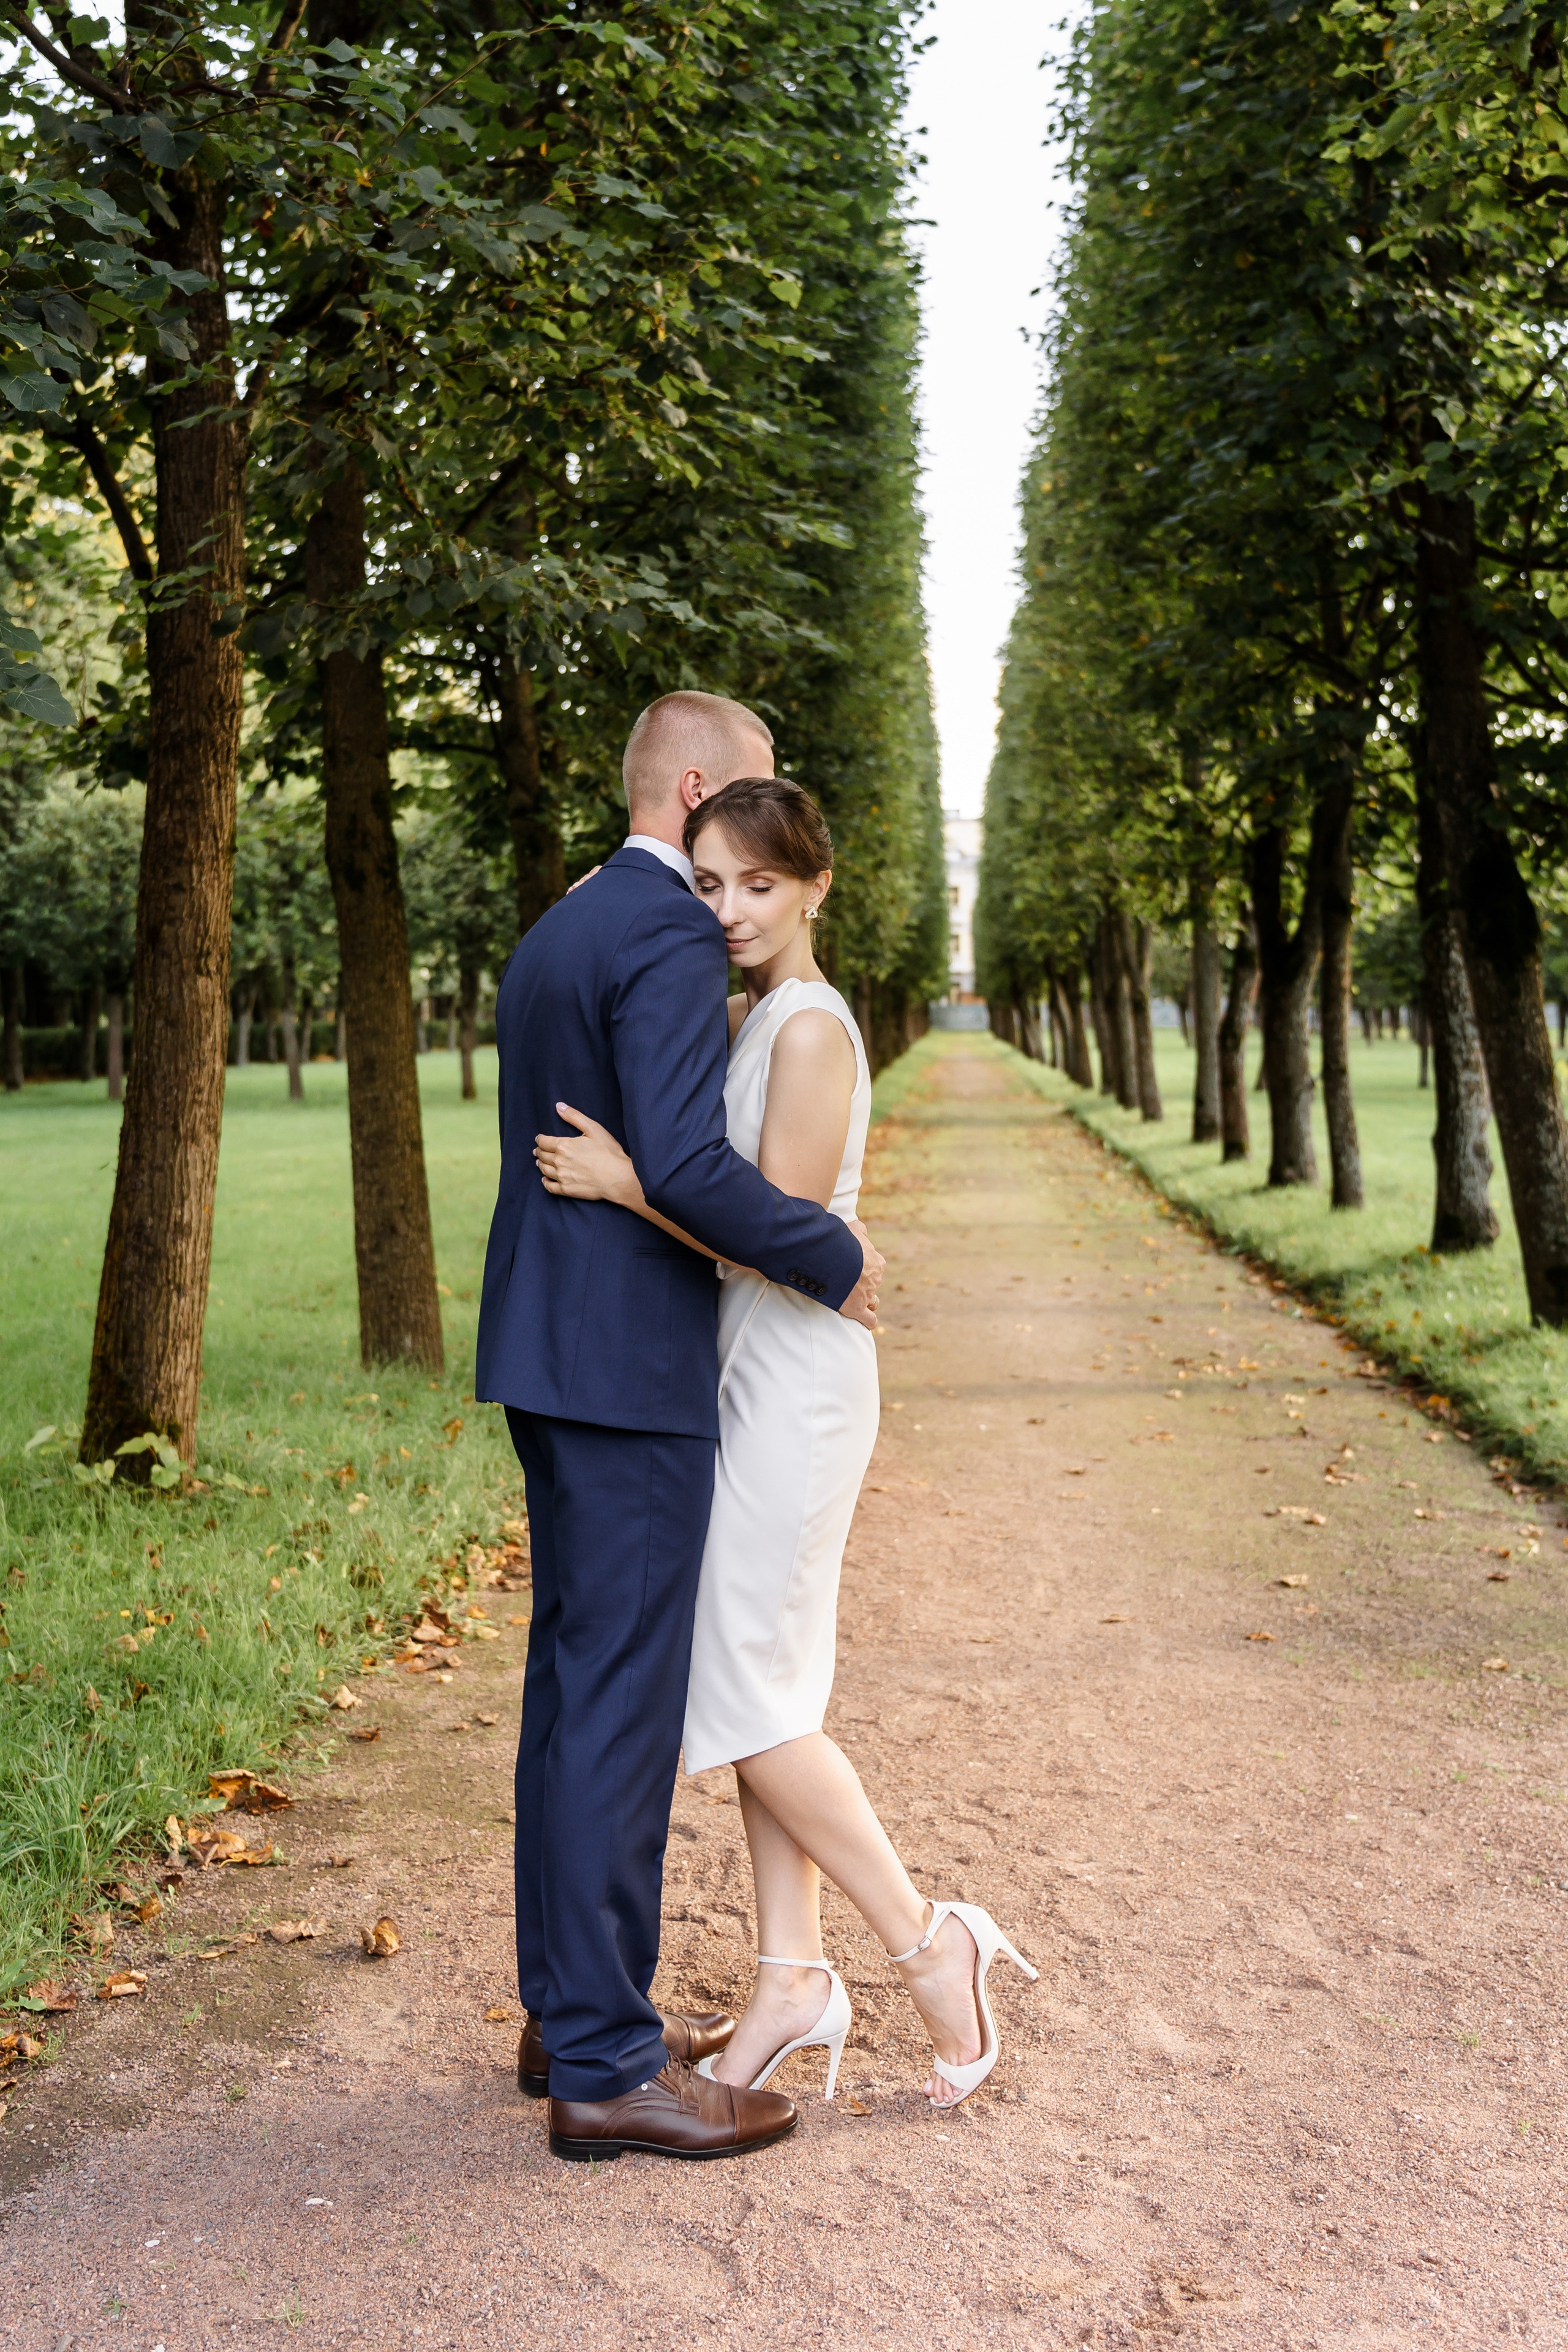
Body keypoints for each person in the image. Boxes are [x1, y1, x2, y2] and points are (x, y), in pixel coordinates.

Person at [535, 774, 1036, 2113]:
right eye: (709, 884)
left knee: (742, 1686)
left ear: (816, 887)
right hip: (746, 1371)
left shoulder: (808, 1029)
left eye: (760, 885)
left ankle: (928, 1942)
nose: (732, 910)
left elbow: (774, 1232)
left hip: (796, 1382)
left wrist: (628, 1185)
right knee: (769, 1689)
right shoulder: (750, 1015)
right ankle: (788, 1978)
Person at [475, 691, 886, 2165]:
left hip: (550, 1353)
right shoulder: (659, 928)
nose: (743, 862)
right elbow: (689, 1162)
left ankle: (563, 2016)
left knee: (569, 1694)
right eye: (746, 806)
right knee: (617, 1707)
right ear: (699, 787)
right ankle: (603, 2064)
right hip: (628, 1373)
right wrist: (835, 1257)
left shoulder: (564, 920)